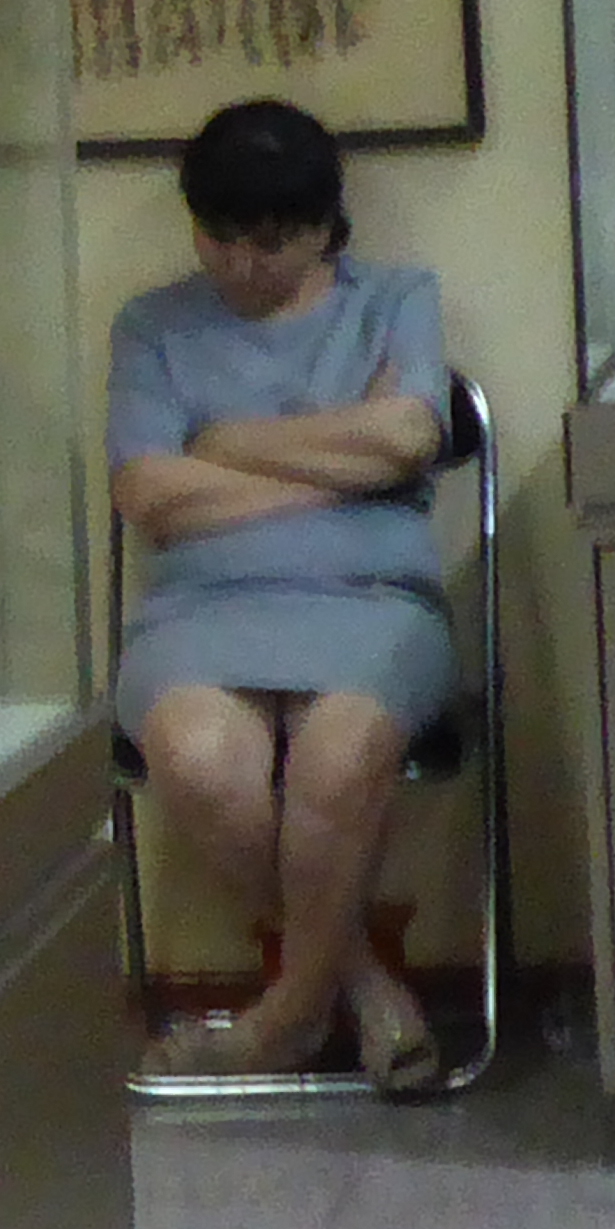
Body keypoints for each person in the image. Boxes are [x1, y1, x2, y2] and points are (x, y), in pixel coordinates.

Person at [107, 99, 454, 1093]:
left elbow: (407, 439)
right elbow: (148, 492)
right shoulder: (154, 327)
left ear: (321, 228)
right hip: (200, 611)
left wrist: (222, 445)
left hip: (371, 599)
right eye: (217, 237)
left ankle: (279, 1022)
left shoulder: (395, 299)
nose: (240, 265)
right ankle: (358, 988)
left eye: (268, 243)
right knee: (197, 761)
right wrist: (341, 468)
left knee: (336, 765)